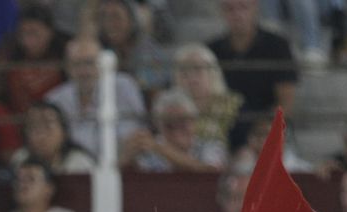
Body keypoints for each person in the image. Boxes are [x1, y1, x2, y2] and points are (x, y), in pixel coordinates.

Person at [208, 0, 298, 152]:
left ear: (255, 8)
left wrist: (263, 129)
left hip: (268, 128)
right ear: (222, 12)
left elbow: (286, 100)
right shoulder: (212, 49)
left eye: (243, 7)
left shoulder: (278, 46)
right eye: (230, 9)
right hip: (224, 128)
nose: (237, 14)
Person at [44, 36, 147, 162]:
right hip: (75, 171)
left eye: (89, 63)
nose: (84, 71)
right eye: (77, 64)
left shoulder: (124, 86)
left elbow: (137, 133)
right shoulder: (55, 99)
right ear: (67, 67)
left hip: (126, 166)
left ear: (103, 63)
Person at [120, 89, 228, 172]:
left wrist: (161, 149)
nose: (176, 129)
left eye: (183, 121)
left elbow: (210, 171)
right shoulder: (150, 151)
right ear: (159, 126)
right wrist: (127, 156)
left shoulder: (211, 146)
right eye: (169, 124)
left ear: (194, 122)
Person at [0, 4, 68, 116]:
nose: (27, 41)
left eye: (34, 33)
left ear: (50, 32)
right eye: (23, 34)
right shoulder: (8, 56)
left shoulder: (64, 53)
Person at [172, 42, 242, 154]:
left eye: (197, 69)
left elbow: (240, 144)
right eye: (184, 71)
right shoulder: (168, 107)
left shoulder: (233, 104)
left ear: (212, 72)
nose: (191, 77)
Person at [10, 101, 96, 174]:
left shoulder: (80, 163)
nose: (41, 134)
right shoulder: (20, 159)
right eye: (34, 126)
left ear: (64, 132)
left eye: (47, 126)